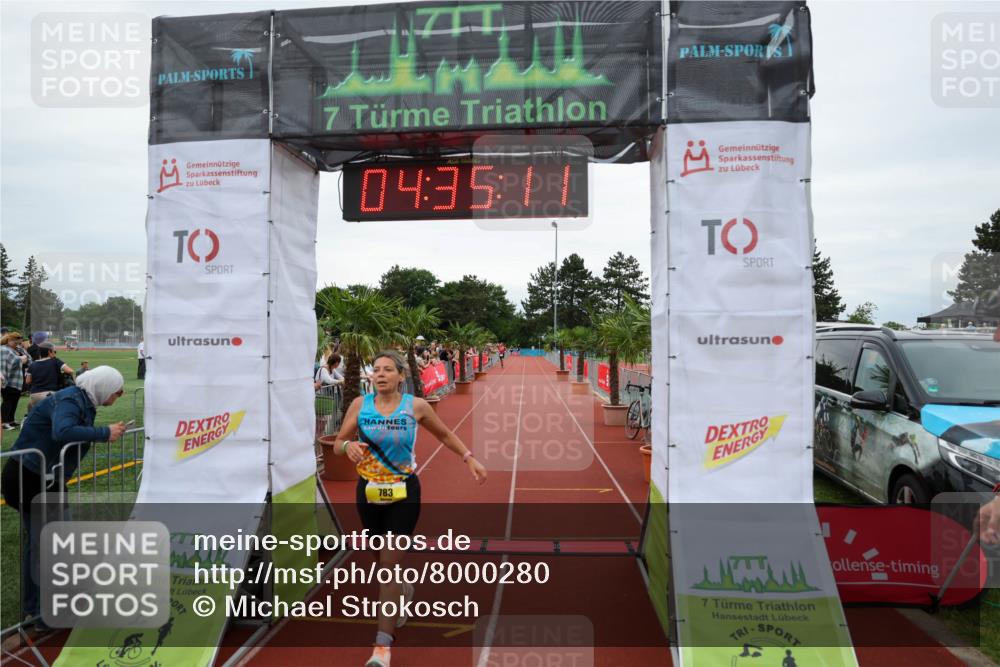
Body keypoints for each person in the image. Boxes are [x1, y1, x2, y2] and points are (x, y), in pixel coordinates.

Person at [332, 350, 487, 667]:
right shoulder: (360, 405)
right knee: (380, 559)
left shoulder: (414, 406)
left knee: (387, 563)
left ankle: (381, 649)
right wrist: (348, 446)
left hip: (405, 493)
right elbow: (337, 442)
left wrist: (469, 457)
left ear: (401, 376)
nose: (381, 374)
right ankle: (402, 589)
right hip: (369, 493)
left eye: (388, 369)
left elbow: (443, 433)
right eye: (376, 370)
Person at [0, 366, 127, 631]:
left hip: (43, 478)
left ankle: (39, 609)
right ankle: (43, 613)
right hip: (31, 478)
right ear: (103, 387)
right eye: (117, 390)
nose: (121, 394)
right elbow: (63, 431)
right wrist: (104, 433)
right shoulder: (71, 399)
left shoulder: (81, 399)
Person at [26, 342, 75, 411]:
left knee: (36, 414)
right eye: (54, 351)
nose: (55, 353)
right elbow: (70, 371)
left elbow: (28, 381)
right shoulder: (55, 361)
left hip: (34, 395)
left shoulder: (33, 364)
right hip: (50, 394)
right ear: (49, 352)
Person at [1, 332, 30, 429]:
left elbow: (29, 359)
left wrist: (23, 357)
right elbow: (13, 361)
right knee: (7, 401)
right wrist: (21, 358)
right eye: (15, 342)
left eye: (19, 343)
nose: (17, 344)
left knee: (15, 400)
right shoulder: (4, 349)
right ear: (9, 340)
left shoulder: (18, 349)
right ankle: (3, 422)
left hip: (18, 379)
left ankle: (11, 420)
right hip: (8, 379)